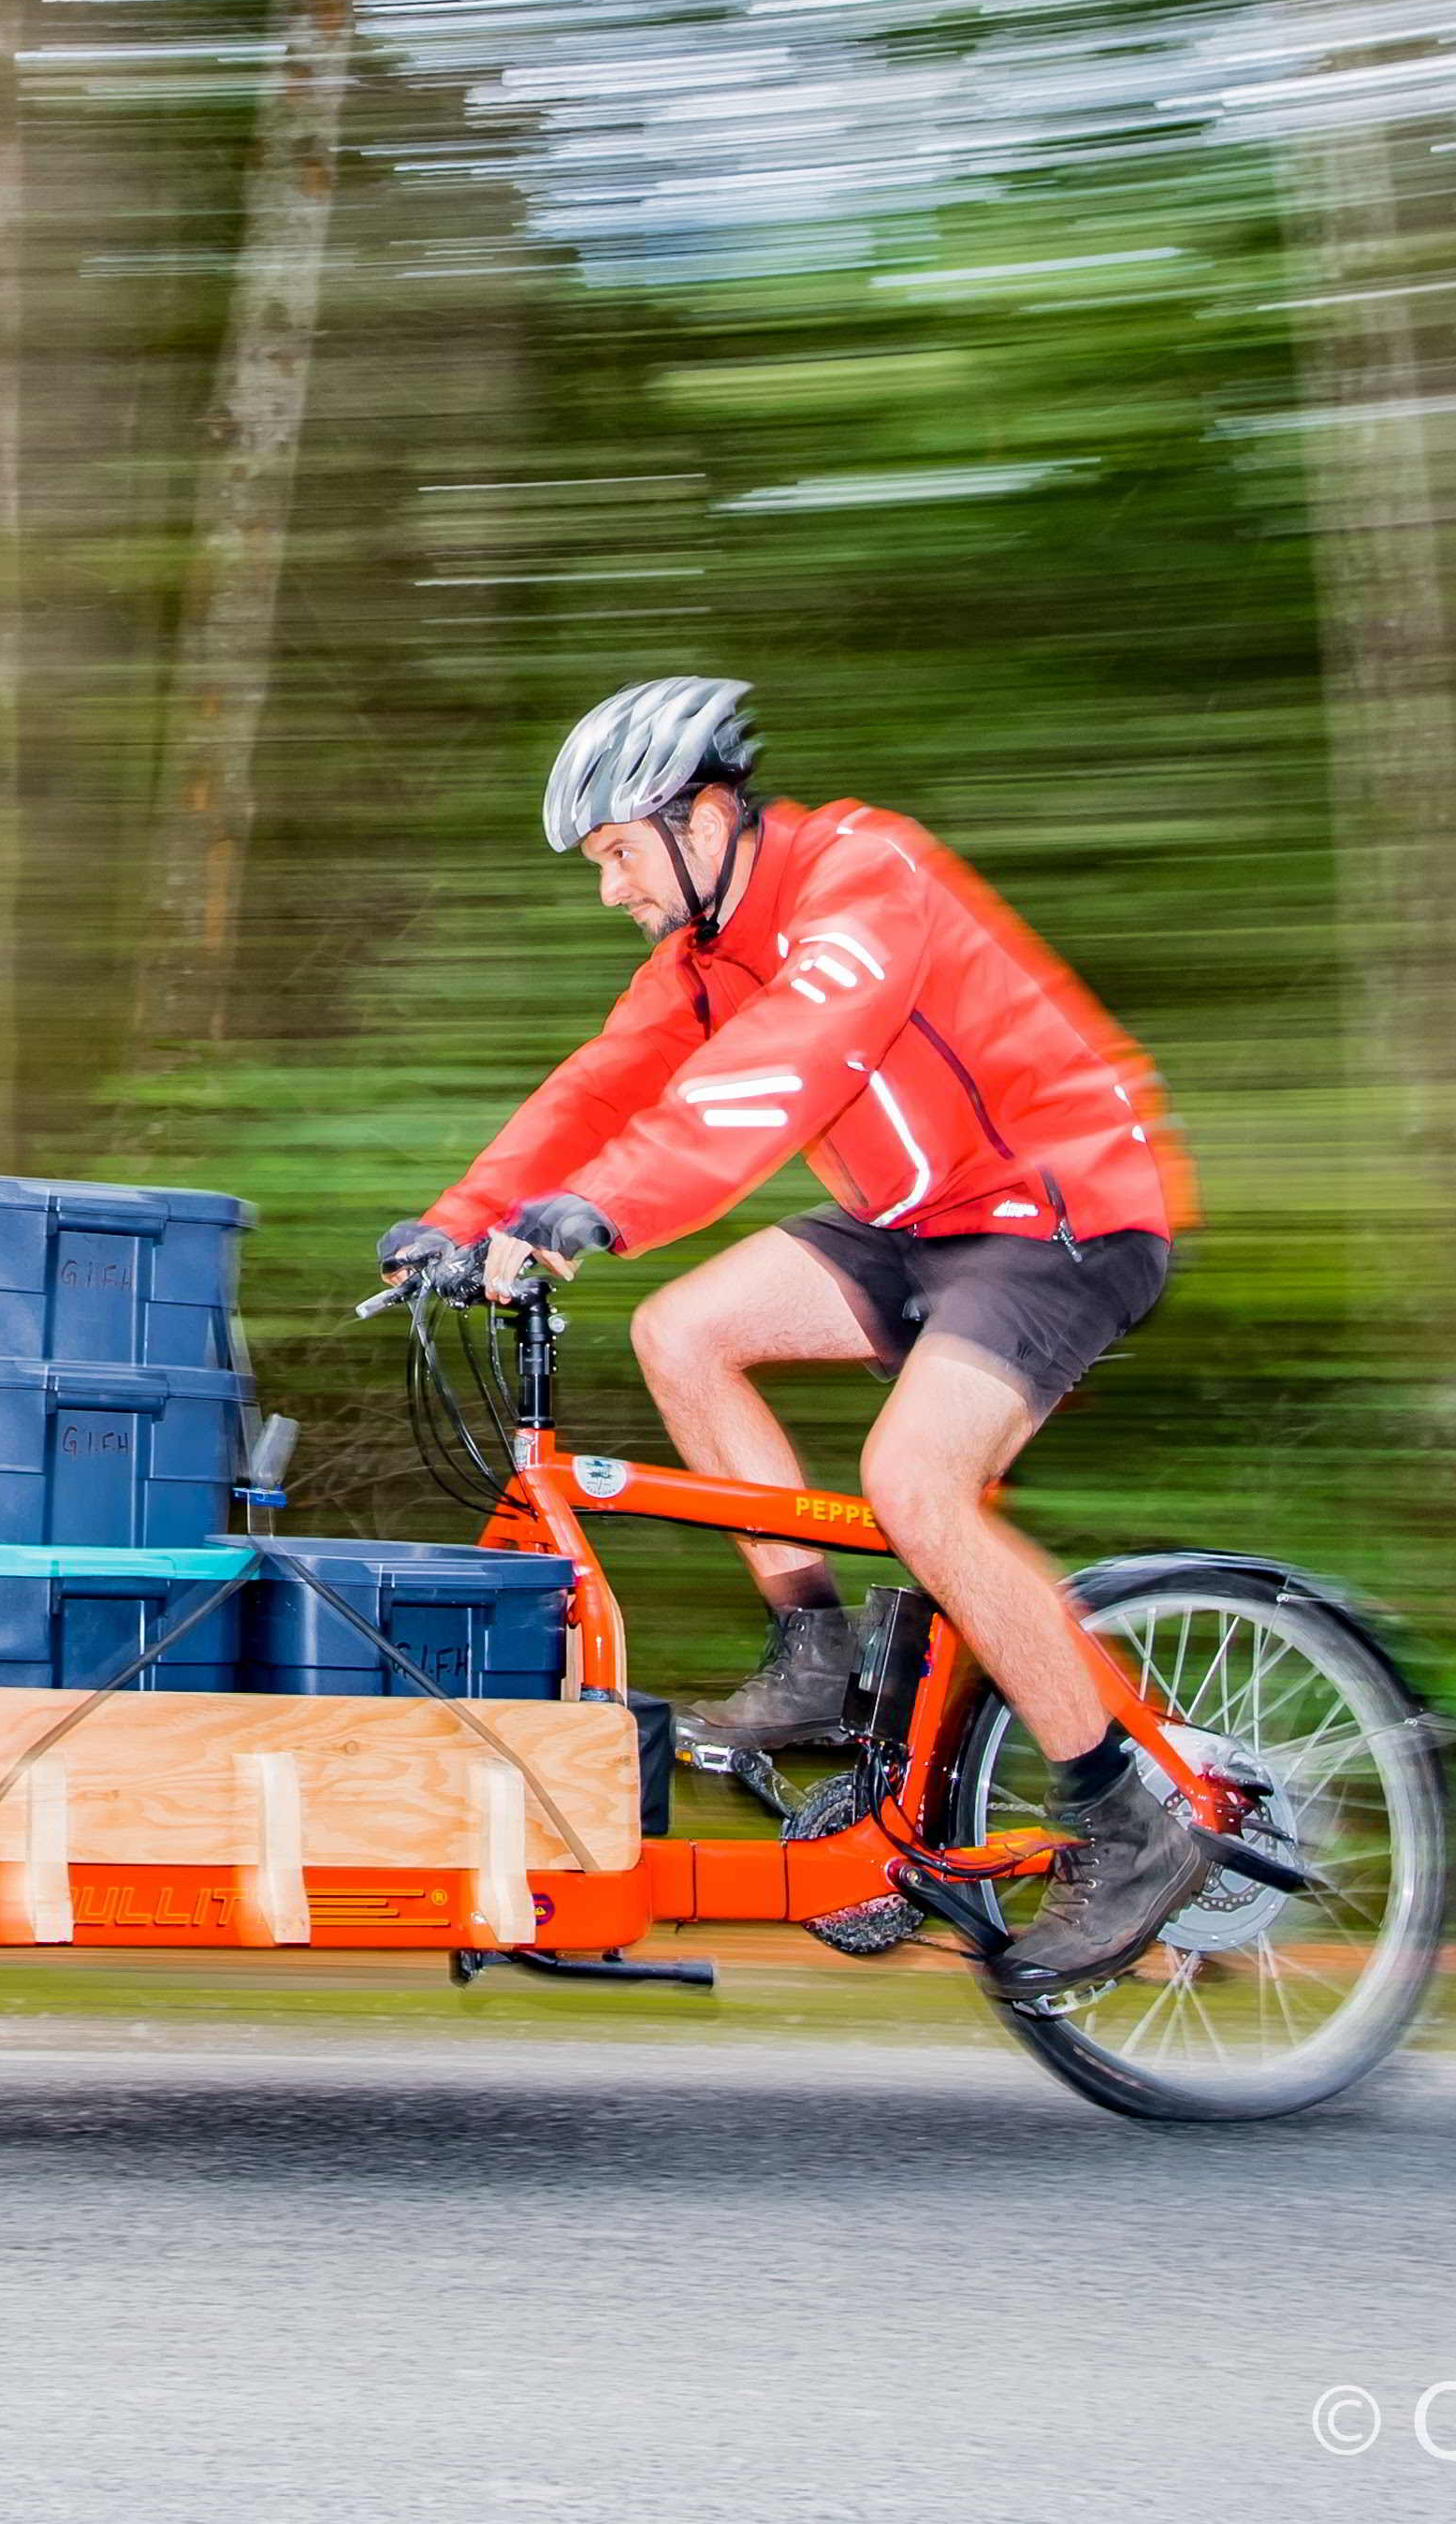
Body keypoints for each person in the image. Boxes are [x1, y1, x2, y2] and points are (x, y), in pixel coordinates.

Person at [379, 676, 1206, 1996]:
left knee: (910, 1483)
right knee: (683, 1330)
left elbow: (784, 1061)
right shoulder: (702, 960)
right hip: (918, 1217)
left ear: (700, 817)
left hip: (1059, 1211)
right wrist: (457, 1219)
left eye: (614, 854)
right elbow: (599, 1082)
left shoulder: (864, 874)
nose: (608, 889)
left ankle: (1125, 1816)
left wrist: (600, 1207)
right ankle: (815, 1652)